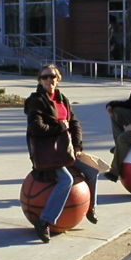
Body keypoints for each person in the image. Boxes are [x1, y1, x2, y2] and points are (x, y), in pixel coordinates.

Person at [24, 64, 99, 243]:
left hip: (66, 151)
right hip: (48, 155)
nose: (49, 80)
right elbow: (36, 128)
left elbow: (75, 123)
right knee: (66, 180)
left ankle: (89, 207)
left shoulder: (62, 99)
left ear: (58, 79)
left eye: (53, 77)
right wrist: (59, 127)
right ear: (40, 80)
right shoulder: (36, 101)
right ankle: (44, 222)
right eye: (45, 77)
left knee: (92, 171)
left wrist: (78, 146)